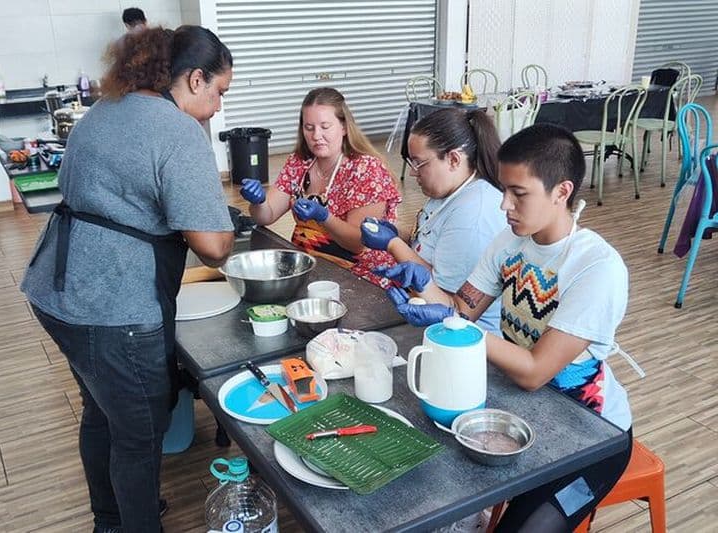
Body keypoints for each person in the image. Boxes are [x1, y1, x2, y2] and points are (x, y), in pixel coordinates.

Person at [20, 26, 235, 533]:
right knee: (139, 436)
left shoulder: (105, 108)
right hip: (113, 305)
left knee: (101, 414)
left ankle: (110, 520)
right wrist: (219, 224)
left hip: (58, 288)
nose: (217, 108)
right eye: (219, 93)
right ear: (195, 78)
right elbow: (214, 245)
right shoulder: (176, 129)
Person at [381, 124, 633, 532]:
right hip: (518, 412)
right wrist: (422, 284)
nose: (504, 205)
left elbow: (535, 371)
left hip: (591, 437)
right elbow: (463, 309)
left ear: (561, 192)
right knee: (420, 490)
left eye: (519, 193)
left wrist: (451, 320)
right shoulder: (508, 244)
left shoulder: (596, 268)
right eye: (503, 190)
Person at [360, 107, 506, 334]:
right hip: (427, 309)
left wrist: (392, 244)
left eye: (419, 163)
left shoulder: (474, 216)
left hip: (466, 334)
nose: (412, 173)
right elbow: (434, 241)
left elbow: (446, 299)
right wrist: (397, 233)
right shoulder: (449, 192)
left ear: (454, 159)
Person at [239, 87, 402, 285]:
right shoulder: (300, 163)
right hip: (312, 266)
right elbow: (266, 215)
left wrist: (324, 217)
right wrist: (258, 202)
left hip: (361, 276)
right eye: (309, 128)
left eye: (325, 126)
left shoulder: (367, 170)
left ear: (343, 127)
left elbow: (358, 243)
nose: (316, 135)